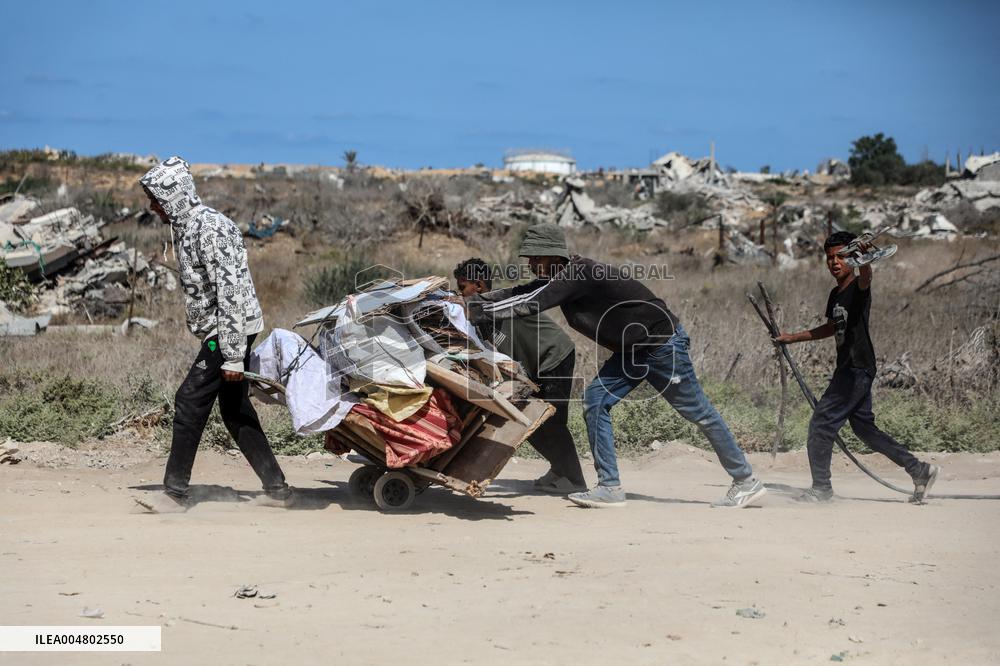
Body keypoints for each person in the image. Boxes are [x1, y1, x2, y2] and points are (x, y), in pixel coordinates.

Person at [468, 224, 765, 509]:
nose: (531, 262)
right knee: (596, 400)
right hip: (631, 351)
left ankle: (745, 480)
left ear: (554, 255)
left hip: (660, 345)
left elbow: (530, 302)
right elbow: (520, 292)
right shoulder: (559, 277)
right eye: (528, 257)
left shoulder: (579, 273)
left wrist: (472, 312)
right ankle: (610, 488)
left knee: (699, 412)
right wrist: (467, 302)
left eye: (536, 257)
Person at [135, 156, 292, 513]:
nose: (152, 207)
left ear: (173, 196)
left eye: (156, 199)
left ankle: (174, 493)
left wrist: (233, 354)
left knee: (189, 400)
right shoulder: (187, 227)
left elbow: (232, 294)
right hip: (223, 330)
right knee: (234, 409)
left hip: (227, 331)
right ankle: (278, 490)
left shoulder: (211, 229)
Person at [774, 231, 939, 502]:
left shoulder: (858, 286)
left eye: (841, 256)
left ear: (853, 257)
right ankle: (920, 470)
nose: (834, 262)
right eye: (830, 258)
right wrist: (792, 338)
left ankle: (821, 490)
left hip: (857, 368)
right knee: (864, 430)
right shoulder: (835, 293)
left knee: (821, 424)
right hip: (849, 368)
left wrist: (864, 259)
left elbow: (867, 277)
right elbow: (830, 327)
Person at [454, 257, 587, 494]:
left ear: (479, 286)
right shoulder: (480, 317)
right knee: (527, 423)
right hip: (534, 366)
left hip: (554, 356)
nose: (460, 293)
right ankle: (559, 470)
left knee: (554, 422)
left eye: (462, 287)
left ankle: (575, 480)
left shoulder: (499, 304)